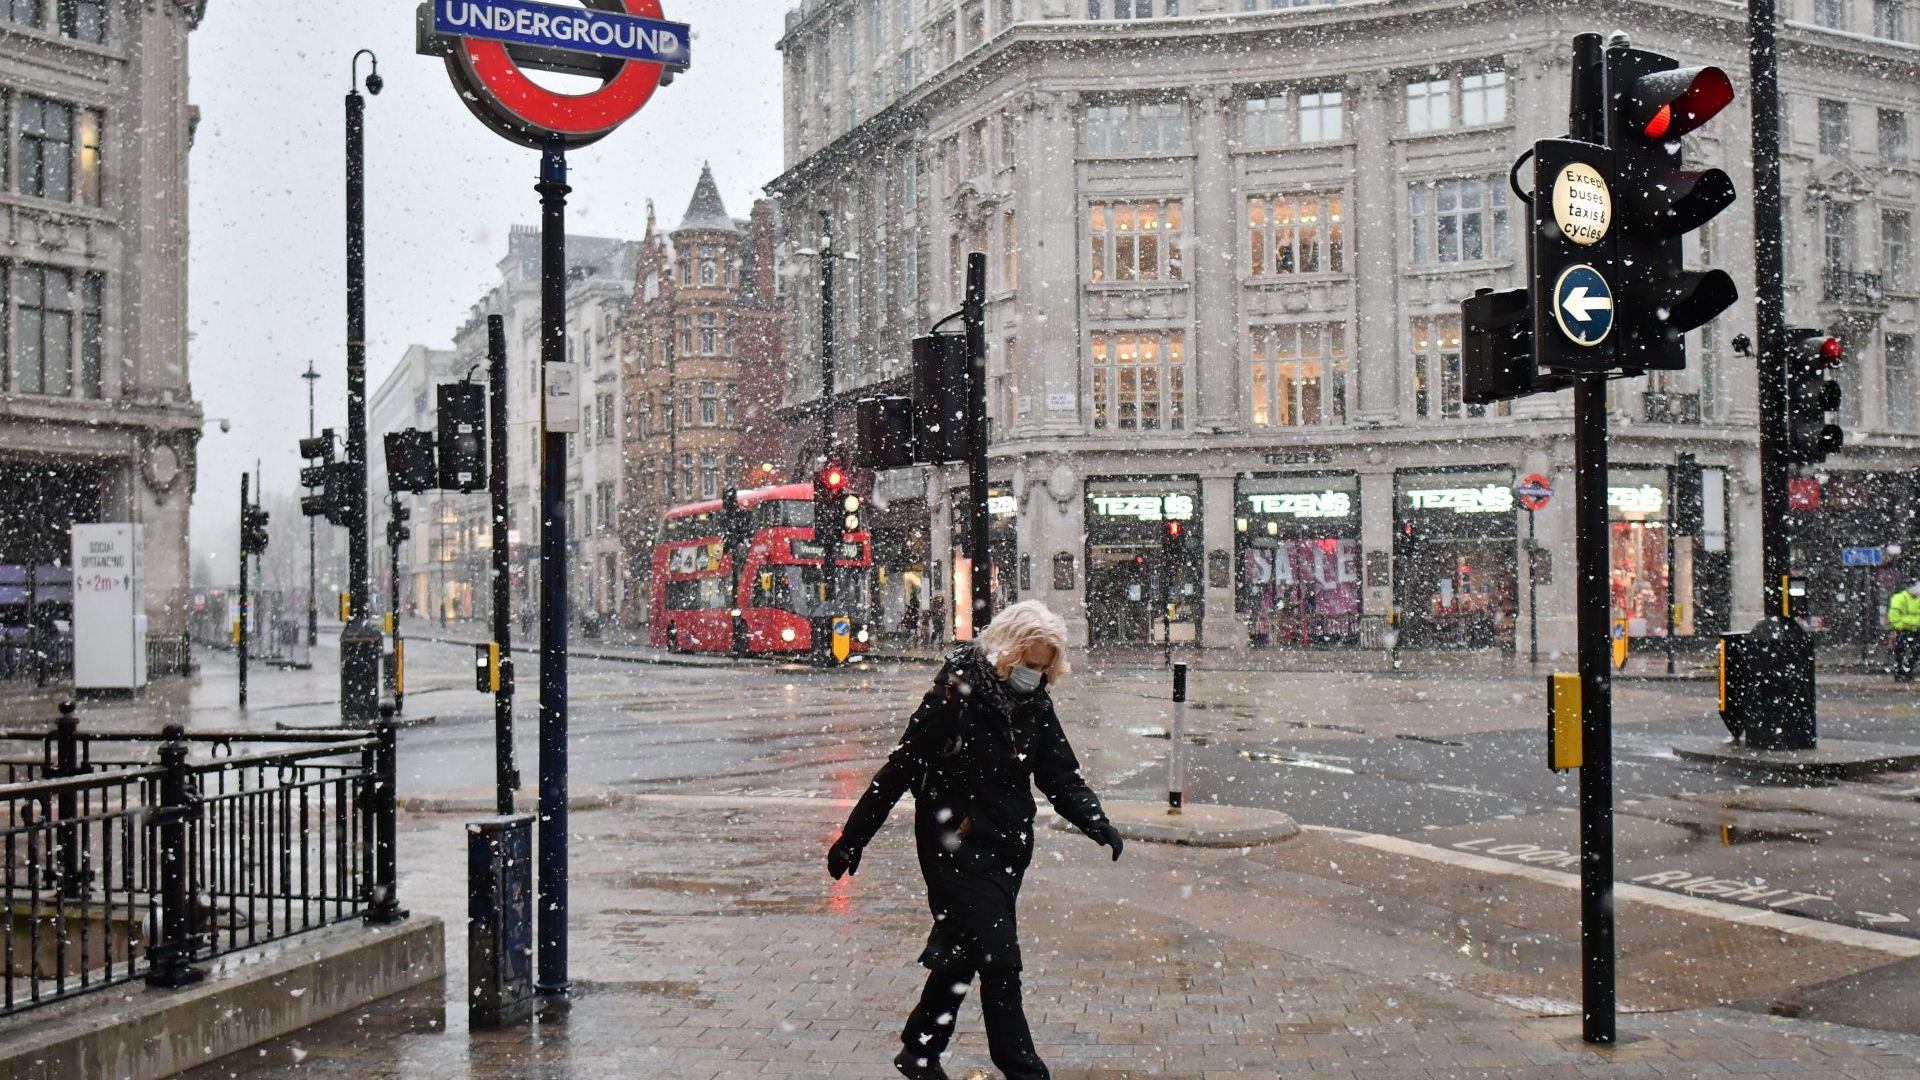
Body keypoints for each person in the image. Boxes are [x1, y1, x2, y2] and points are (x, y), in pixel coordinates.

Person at [826, 600, 1123, 1080]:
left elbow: (1059, 774)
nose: (1035, 676)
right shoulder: (954, 698)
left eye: (1044, 669)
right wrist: (853, 837)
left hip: (1006, 849)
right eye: (1029, 665)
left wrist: (1094, 820)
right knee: (1000, 956)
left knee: (963, 951)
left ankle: (919, 1052)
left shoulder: (1034, 705)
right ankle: (1021, 1067)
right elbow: (900, 769)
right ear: (1006, 654)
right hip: (953, 845)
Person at [1889, 580, 1920, 681]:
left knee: (1915, 651)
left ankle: (1907, 671)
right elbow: (1894, 617)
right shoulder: (1900, 598)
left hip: (1915, 629)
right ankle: (1901, 672)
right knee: (1901, 651)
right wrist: (1910, 622)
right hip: (1903, 629)